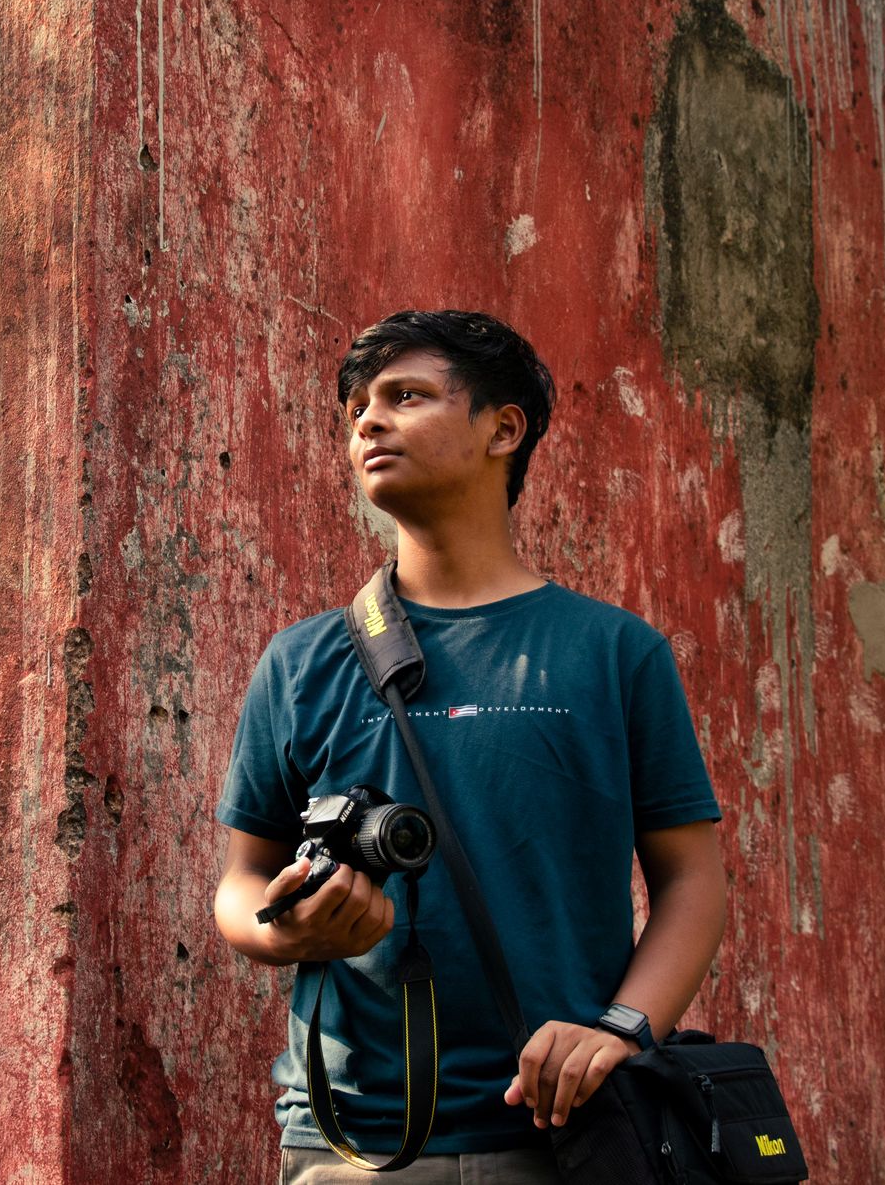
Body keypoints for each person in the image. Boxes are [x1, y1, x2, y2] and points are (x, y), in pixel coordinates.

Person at [213, 310, 728, 1184]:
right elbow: (239, 885)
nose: (368, 422)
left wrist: (620, 1031)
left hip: (566, 1133)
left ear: (504, 427)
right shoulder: (302, 660)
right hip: (352, 1142)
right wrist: (291, 926)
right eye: (356, 411)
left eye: (404, 397)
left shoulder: (613, 651)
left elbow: (693, 879)